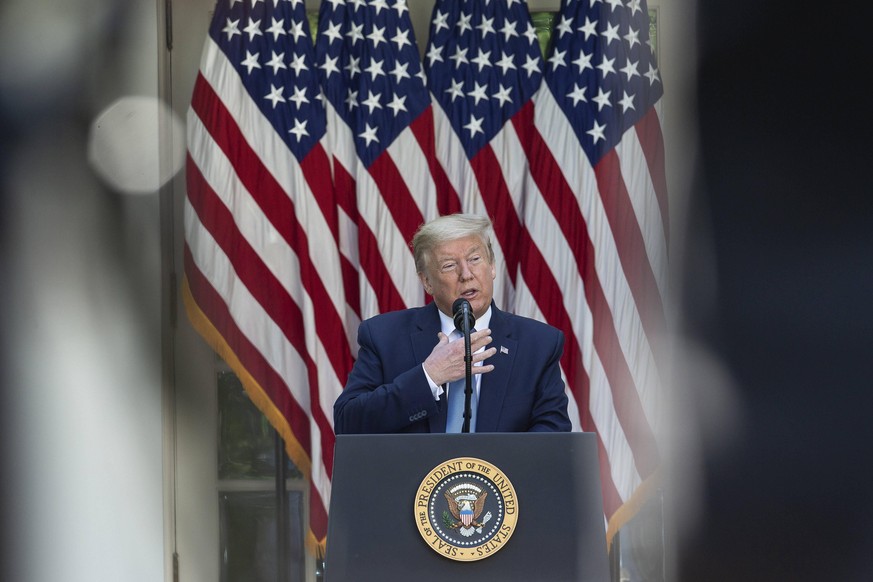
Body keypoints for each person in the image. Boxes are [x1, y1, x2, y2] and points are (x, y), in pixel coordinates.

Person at [334, 213, 571, 434]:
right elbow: (348, 422)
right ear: (427, 282)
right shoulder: (384, 336)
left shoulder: (538, 344)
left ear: (492, 266)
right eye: (449, 265)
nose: (466, 274)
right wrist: (429, 376)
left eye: (475, 259)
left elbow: (553, 437)